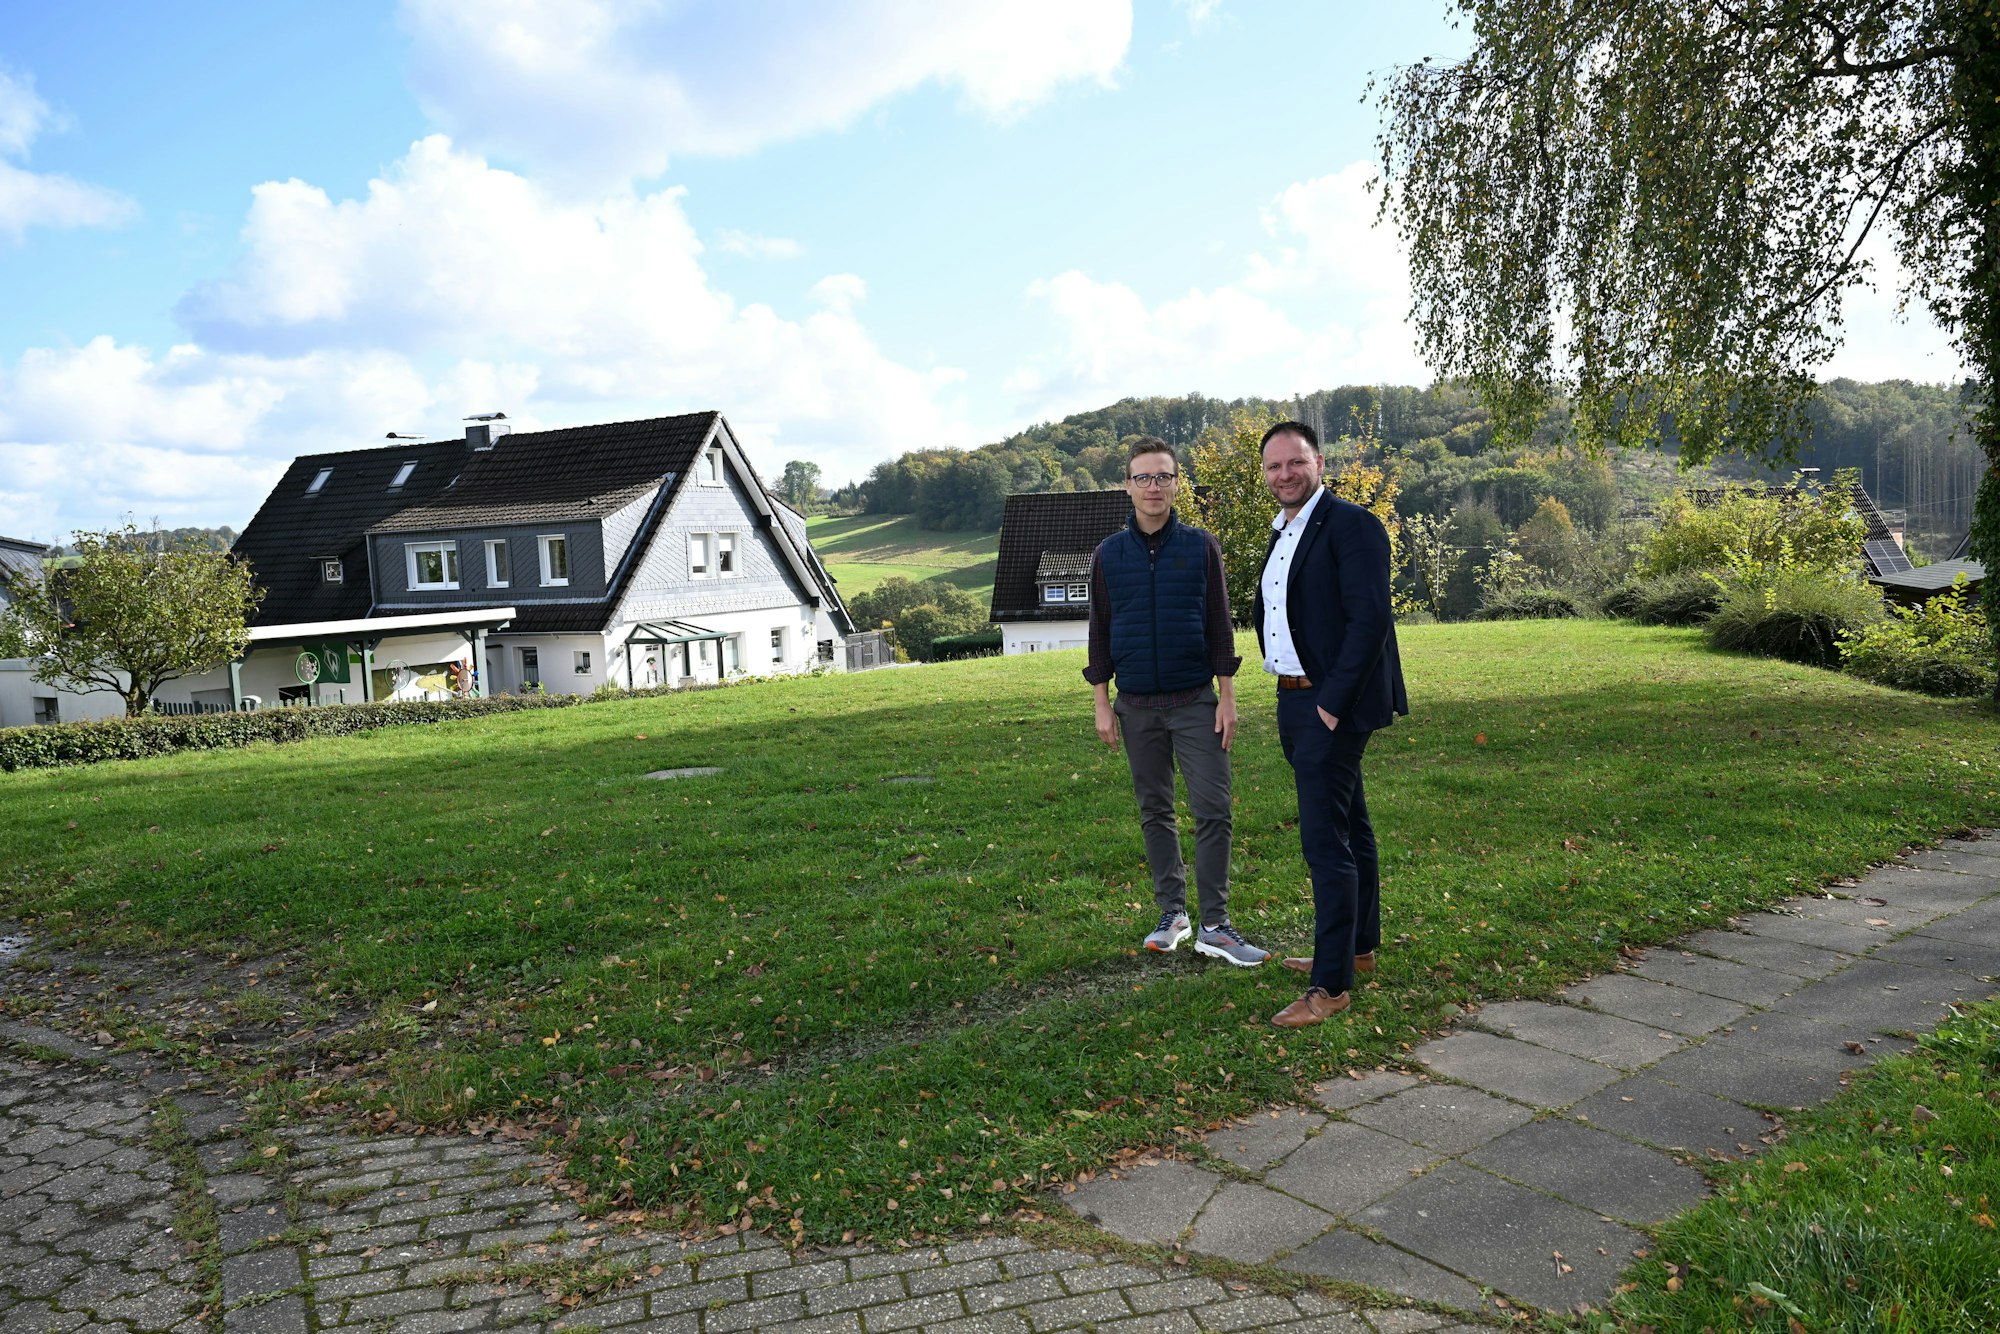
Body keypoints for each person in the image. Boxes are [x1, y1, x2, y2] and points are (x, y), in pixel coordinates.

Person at [1084, 437, 1270, 967]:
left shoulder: (1201, 546)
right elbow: (1100, 631)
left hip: (1195, 701)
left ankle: (1215, 924)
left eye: (1163, 476)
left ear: (1176, 483)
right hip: (1135, 705)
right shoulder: (1108, 554)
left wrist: (1227, 697)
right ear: (1127, 486)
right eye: (1143, 477)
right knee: (1155, 811)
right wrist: (1102, 701)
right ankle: (1173, 914)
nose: (1153, 486)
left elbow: (1220, 624)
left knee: (1213, 809)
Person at [1253, 421, 1408, 1028]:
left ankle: (1331, 985)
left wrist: (1331, 705)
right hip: (1294, 697)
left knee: (1325, 842)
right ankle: (1357, 949)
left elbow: (1370, 621)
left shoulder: (1351, 525)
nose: (1285, 474)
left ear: (1319, 462)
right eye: (1273, 466)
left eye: (1295, 462)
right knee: (1352, 825)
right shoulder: (1283, 531)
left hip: (1328, 703)